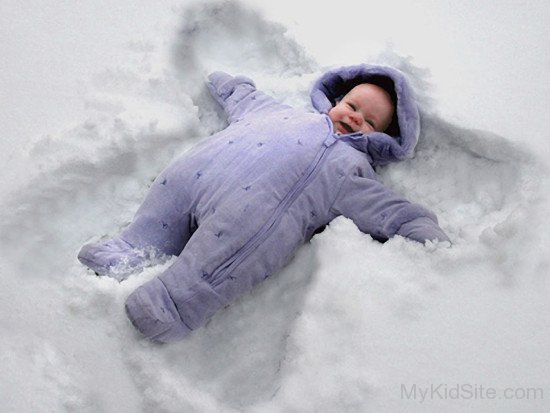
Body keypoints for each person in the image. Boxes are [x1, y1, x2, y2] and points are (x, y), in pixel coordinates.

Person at [78, 64, 450, 343]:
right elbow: (248, 100)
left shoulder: (351, 171)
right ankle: (131, 249)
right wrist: (233, 86)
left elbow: (385, 209)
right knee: (167, 202)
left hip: (247, 220)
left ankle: (174, 303)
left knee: (231, 252)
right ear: (335, 100)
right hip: (197, 180)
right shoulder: (282, 113)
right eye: (353, 105)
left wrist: (417, 226)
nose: (355, 117)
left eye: (370, 121)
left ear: (384, 139)